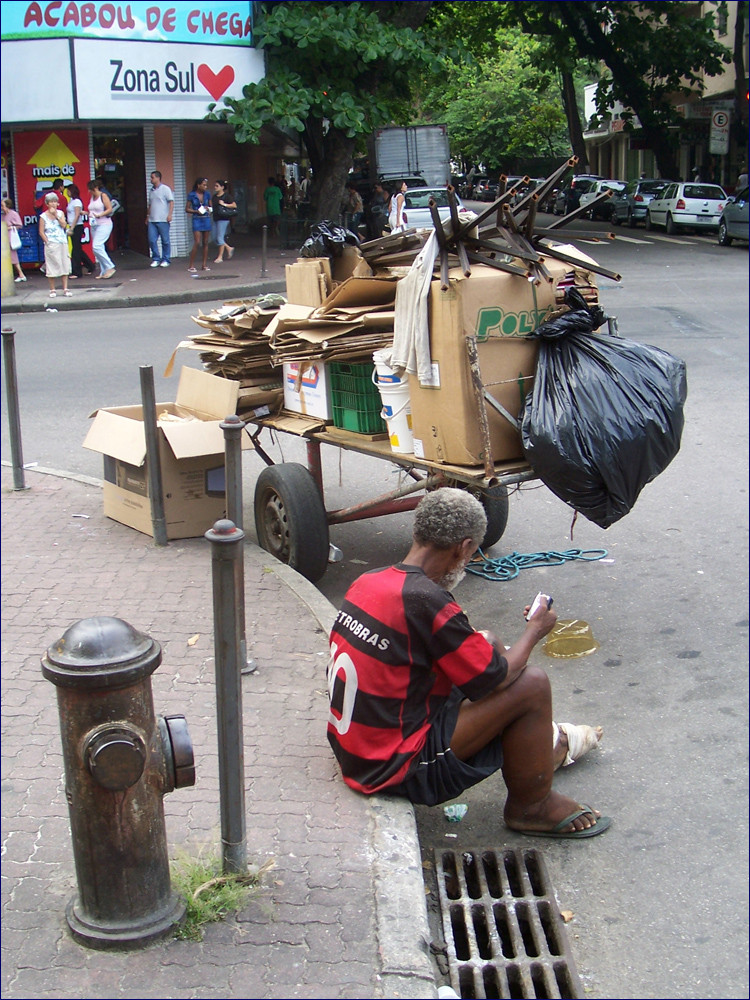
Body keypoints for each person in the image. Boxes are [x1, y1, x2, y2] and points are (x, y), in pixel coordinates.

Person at [327, 489, 610, 840]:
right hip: (394, 767)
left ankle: (537, 752)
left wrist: (495, 646)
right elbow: (496, 679)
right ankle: (531, 808)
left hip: (355, 751)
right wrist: (534, 632)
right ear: (462, 548)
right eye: (471, 552)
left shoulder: (368, 581)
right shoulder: (426, 599)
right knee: (532, 684)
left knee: (487, 642)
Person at [38, 191, 72, 296]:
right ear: (47, 204)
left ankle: (65, 288)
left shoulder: (60, 213)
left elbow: (64, 225)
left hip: (62, 242)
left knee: (64, 264)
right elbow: (41, 231)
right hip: (51, 243)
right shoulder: (43, 216)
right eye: (51, 202)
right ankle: (52, 289)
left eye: (55, 202)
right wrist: (47, 242)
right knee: (52, 265)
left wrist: (56, 215)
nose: (53, 204)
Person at [86, 178, 116, 279]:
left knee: (96, 246)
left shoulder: (103, 196)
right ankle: (103, 271)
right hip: (94, 225)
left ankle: (110, 266)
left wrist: (100, 214)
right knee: (97, 249)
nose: (88, 191)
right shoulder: (92, 198)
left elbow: (109, 209)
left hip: (104, 224)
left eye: (90, 189)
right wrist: (86, 213)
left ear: (95, 188)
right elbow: (92, 211)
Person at [65, 184, 95, 279]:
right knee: (77, 248)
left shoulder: (77, 201)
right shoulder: (72, 201)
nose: (67, 193)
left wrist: (72, 228)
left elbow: (77, 215)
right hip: (73, 225)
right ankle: (90, 265)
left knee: (75, 250)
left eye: (68, 191)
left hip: (77, 226)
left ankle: (77, 272)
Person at [146, 170, 174, 268]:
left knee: (165, 240)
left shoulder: (165, 189)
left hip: (163, 219)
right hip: (152, 220)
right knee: (152, 240)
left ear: (158, 178)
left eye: (152, 177)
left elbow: (171, 202)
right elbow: (150, 205)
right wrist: (147, 216)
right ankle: (156, 258)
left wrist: (169, 214)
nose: (151, 179)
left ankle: (166, 259)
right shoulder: (151, 190)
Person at [186, 177, 212, 271]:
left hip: (206, 219)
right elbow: (187, 209)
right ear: (198, 185)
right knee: (197, 242)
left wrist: (208, 209)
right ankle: (191, 265)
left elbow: (210, 206)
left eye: (206, 185)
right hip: (197, 219)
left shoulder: (207, 194)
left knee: (205, 242)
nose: (205, 187)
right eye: (204, 185)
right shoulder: (192, 195)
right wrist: (196, 211)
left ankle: (204, 265)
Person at [211, 179, 237, 263]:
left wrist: (224, 204)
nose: (215, 187)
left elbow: (234, 205)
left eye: (217, 186)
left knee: (219, 237)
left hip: (223, 219)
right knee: (215, 238)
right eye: (215, 186)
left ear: (222, 187)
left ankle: (220, 257)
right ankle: (229, 248)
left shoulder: (227, 196)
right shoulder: (214, 197)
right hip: (215, 218)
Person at [2, 198, 27, 283]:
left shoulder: (13, 214)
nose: (2, 208)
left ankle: (21, 274)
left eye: (3, 206)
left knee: (13, 257)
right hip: (4, 239)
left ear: (7, 206)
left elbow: (19, 225)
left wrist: (9, 228)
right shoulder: (3, 216)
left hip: (11, 238)